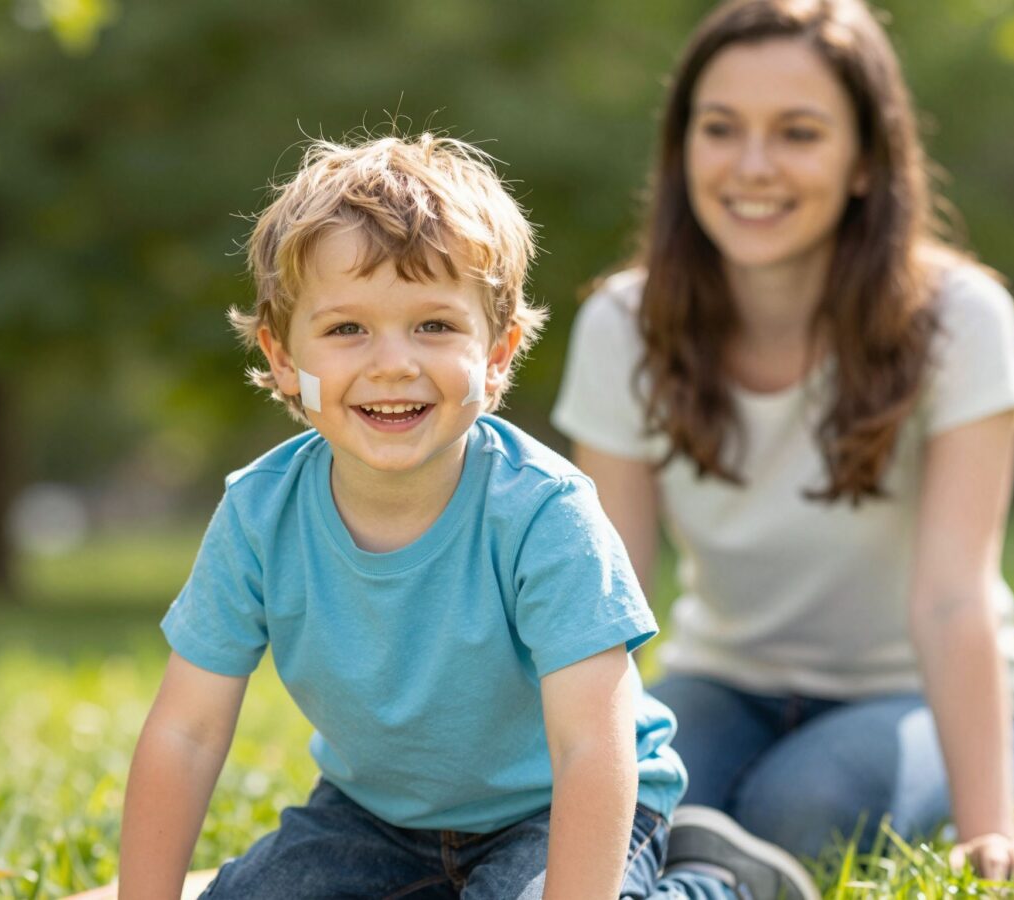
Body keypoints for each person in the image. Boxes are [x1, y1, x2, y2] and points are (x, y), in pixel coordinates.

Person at [118, 133, 820, 900]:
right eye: (346, 329)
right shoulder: (260, 514)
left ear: (498, 354)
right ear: (284, 359)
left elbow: (594, 745)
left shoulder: (544, 513)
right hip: (374, 817)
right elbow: (185, 735)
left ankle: (716, 882)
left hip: (556, 807)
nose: (393, 362)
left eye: (435, 326)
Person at [552, 0, 1014, 885]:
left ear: (865, 161)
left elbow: (952, 597)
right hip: (725, 679)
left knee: (802, 807)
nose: (752, 166)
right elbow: (610, 588)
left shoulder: (961, 319)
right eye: (720, 128)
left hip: (915, 696)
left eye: (798, 132)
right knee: (622, 799)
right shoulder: (621, 325)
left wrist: (992, 827)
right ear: (682, 150)